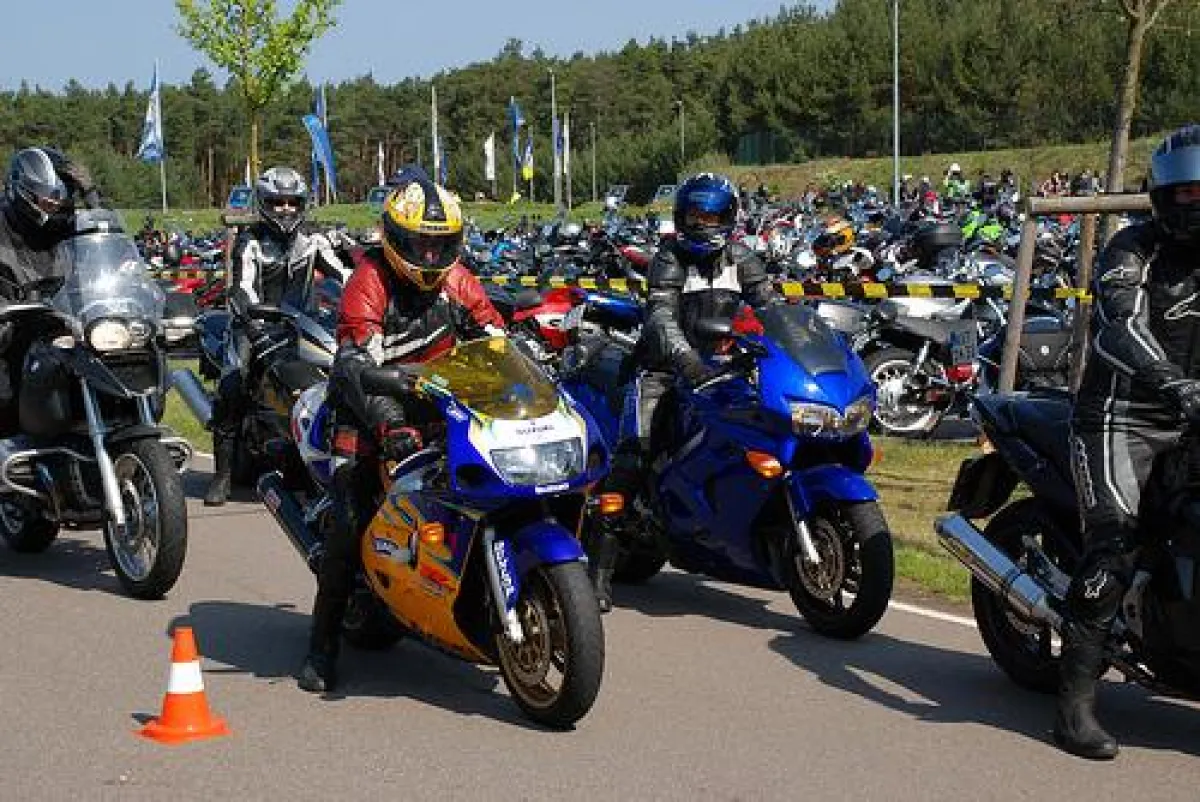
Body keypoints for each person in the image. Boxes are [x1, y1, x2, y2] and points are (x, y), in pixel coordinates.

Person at [298, 174, 505, 693]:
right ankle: (321, 647)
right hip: (368, 410)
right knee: (351, 517)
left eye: (442, 244)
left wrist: (525, 361)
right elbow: (353, 360)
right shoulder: (369, 279)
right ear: (395, 238)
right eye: (421, 244)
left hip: (439, 404)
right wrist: (389, 421)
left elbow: (493, 334)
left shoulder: (459, 281)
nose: (432, 256)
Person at [1059, 124, 1200, 760]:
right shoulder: (1128, 249)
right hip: (1121, 416)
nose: (1193, 208)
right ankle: (1076, 708)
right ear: (1158, 197)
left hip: (1193, 417)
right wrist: (1174, 383)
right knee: (1112, 551)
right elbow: (1119, 325)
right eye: (1183, 196)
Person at [584, 172, 782, 612]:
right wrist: (686, 360)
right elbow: (660, 318)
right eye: (695, 215)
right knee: (633, 456)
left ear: (729, 218)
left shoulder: (743, 259)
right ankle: (597, 573)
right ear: (681, 217)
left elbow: (772, 309)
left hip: (723, 369)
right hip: (663, 371)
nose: (704, 225)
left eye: (713, 216)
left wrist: (791, 342)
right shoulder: (669, 259)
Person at [203, 166, 350, 506]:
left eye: (292, 202)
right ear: (264, 203)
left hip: (303, 323)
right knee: (234, 382)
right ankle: (222, 476)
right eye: (278, 202)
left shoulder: (313, 239)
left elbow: (344, 276)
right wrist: (254, 324)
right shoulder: (250, 240)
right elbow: (241, 289)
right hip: (253, 324)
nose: (285, 209)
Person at [0, 147, 100, 417]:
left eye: (61, 199)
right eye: (48, 200)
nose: (55, 206)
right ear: (23, 193)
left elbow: (104, 239)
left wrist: (91, 195)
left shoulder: (65, 228)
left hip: (63, 326)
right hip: (12, 330)